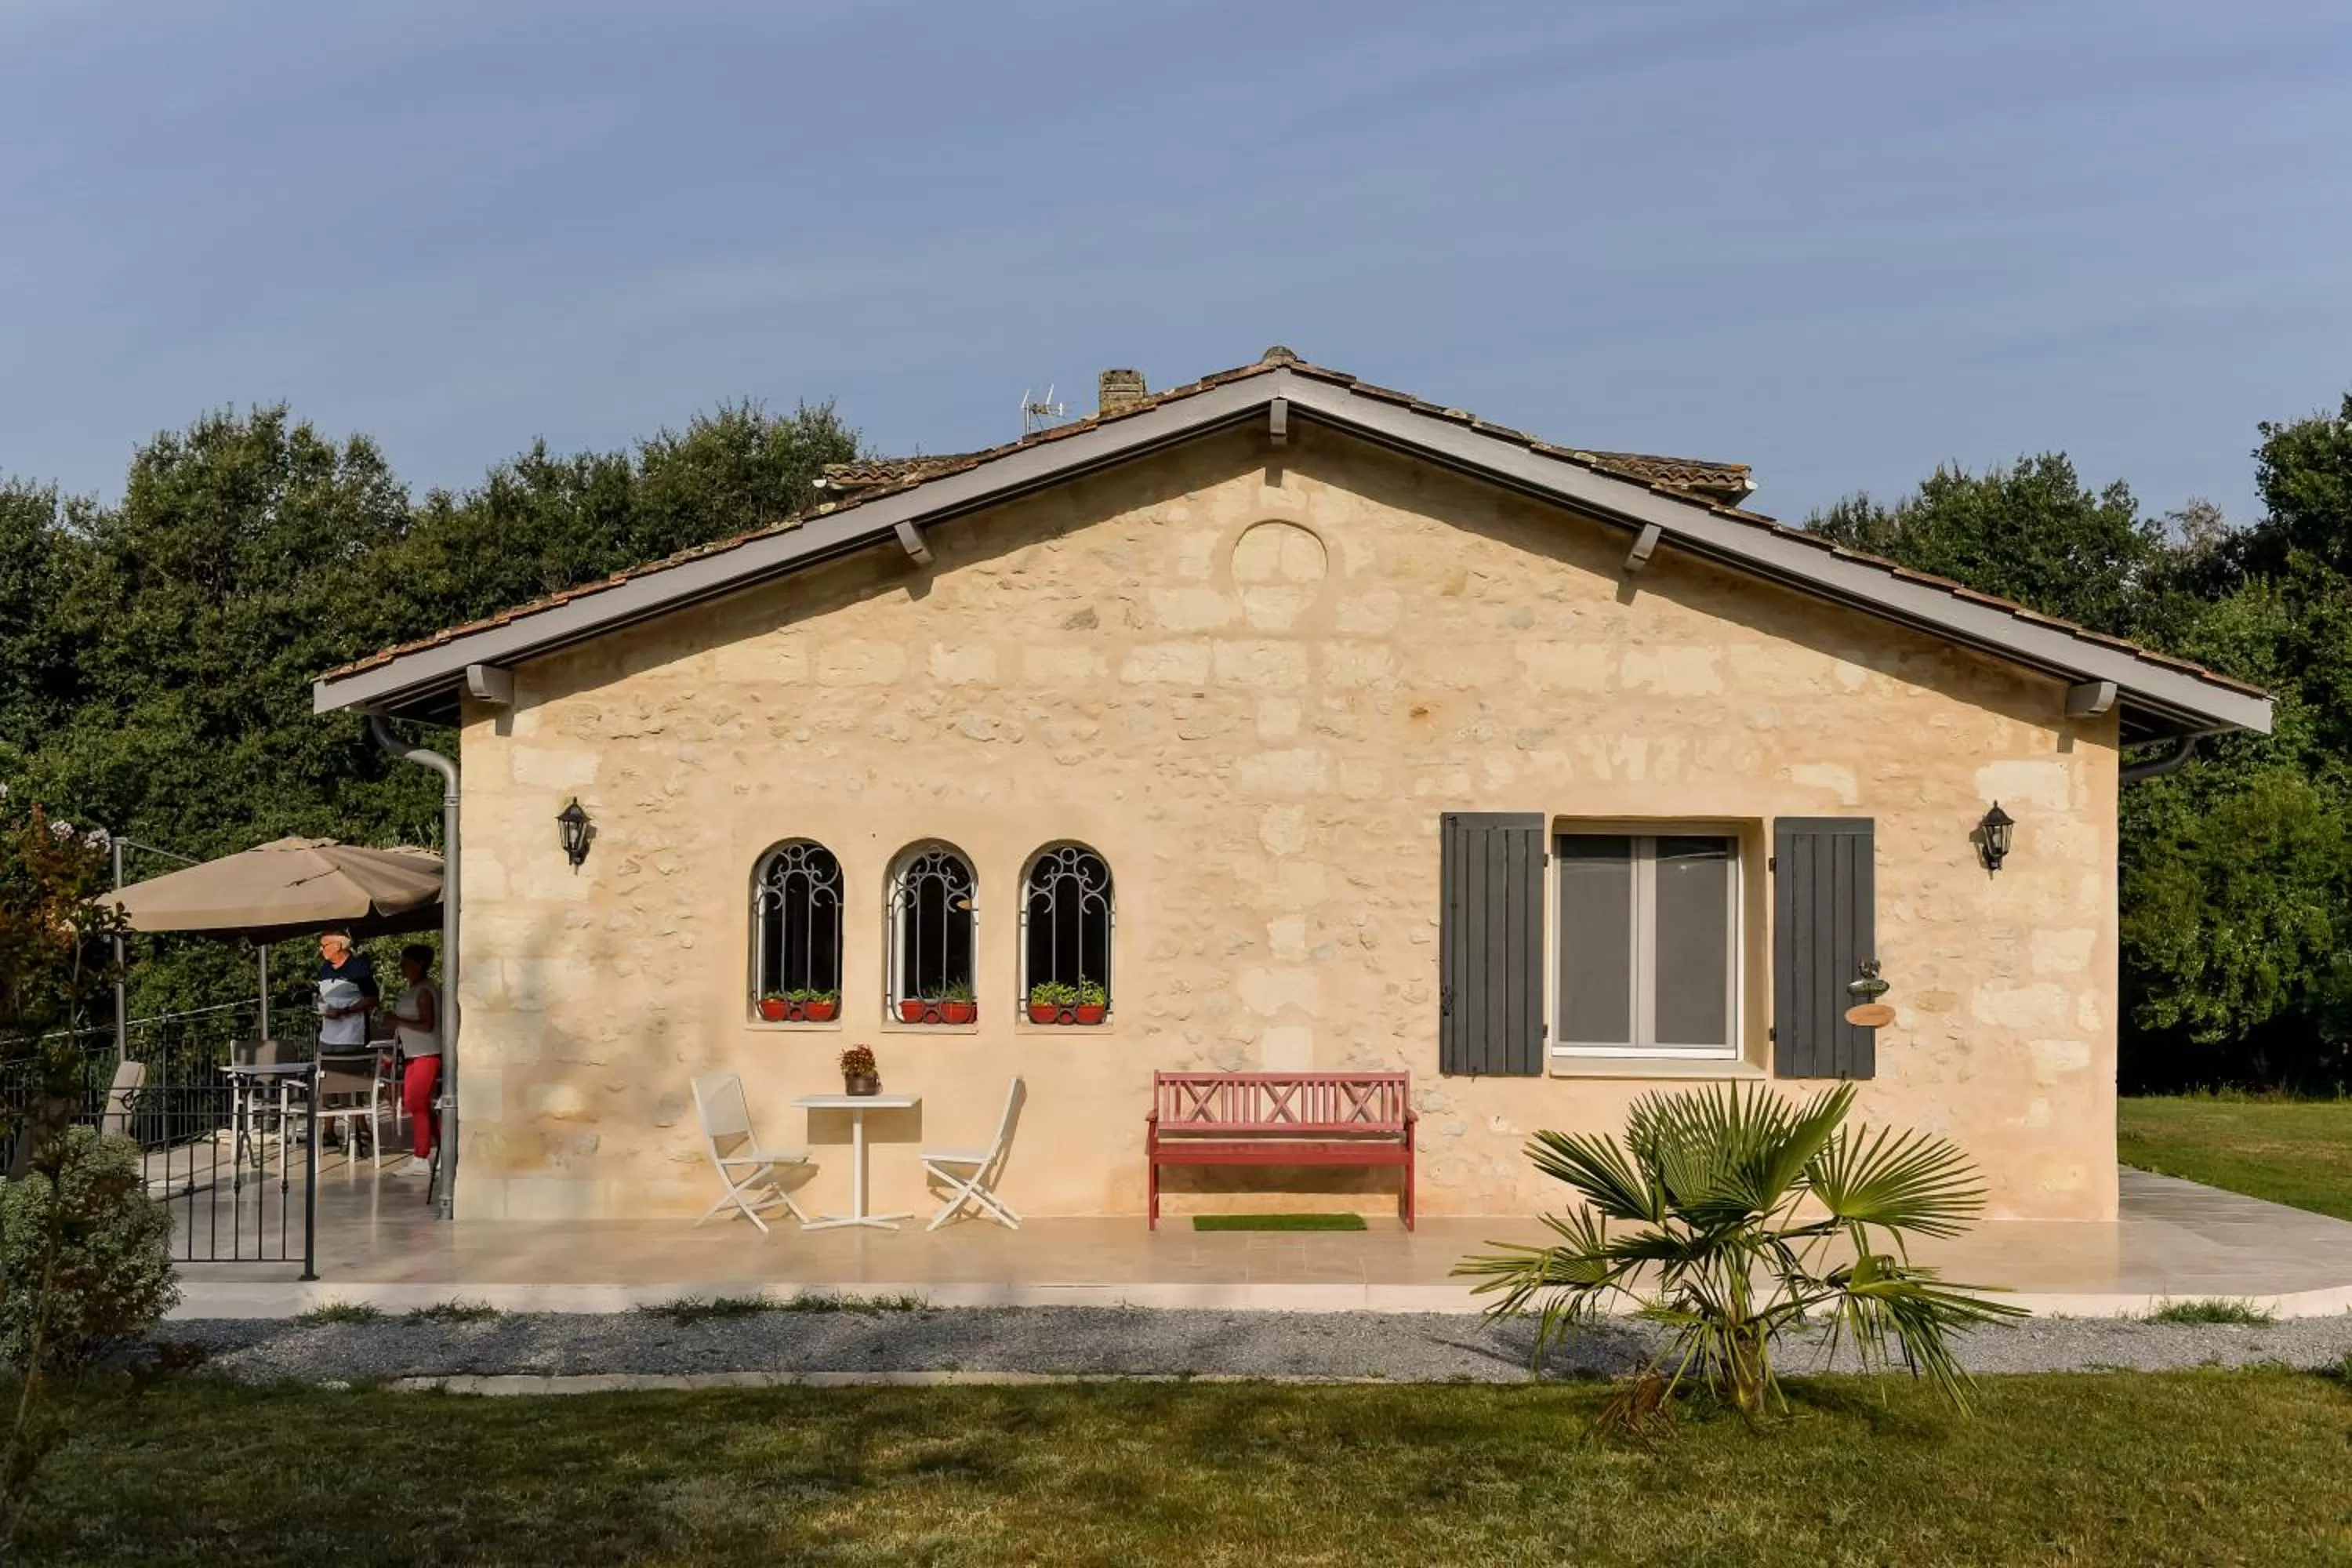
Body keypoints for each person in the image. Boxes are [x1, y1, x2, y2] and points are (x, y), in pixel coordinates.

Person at [314, 931, 379, 1151]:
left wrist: (346, 1010)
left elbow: (372, 999)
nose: (320, 950)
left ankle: (357, 1128)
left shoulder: (358, 968)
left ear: (338, 946)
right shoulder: (324, 970)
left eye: (324, 945)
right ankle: (329, 1130)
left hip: (351, 1034)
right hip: (327, 1034)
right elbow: (321, 997)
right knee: (326, 1081)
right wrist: (322, 1008)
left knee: (350, 1081)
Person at [385, 944, 441, 1176]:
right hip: (414, 1053)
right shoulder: (415, 989)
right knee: (417, 1103)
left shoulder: (425, 991)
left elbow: (428, 1025)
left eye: (406, 962)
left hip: (426, 1053)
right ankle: (444, 1151)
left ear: (419, 965)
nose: (401, 967)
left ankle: (421, 1157)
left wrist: (398, 1021)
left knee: (417, 1102)